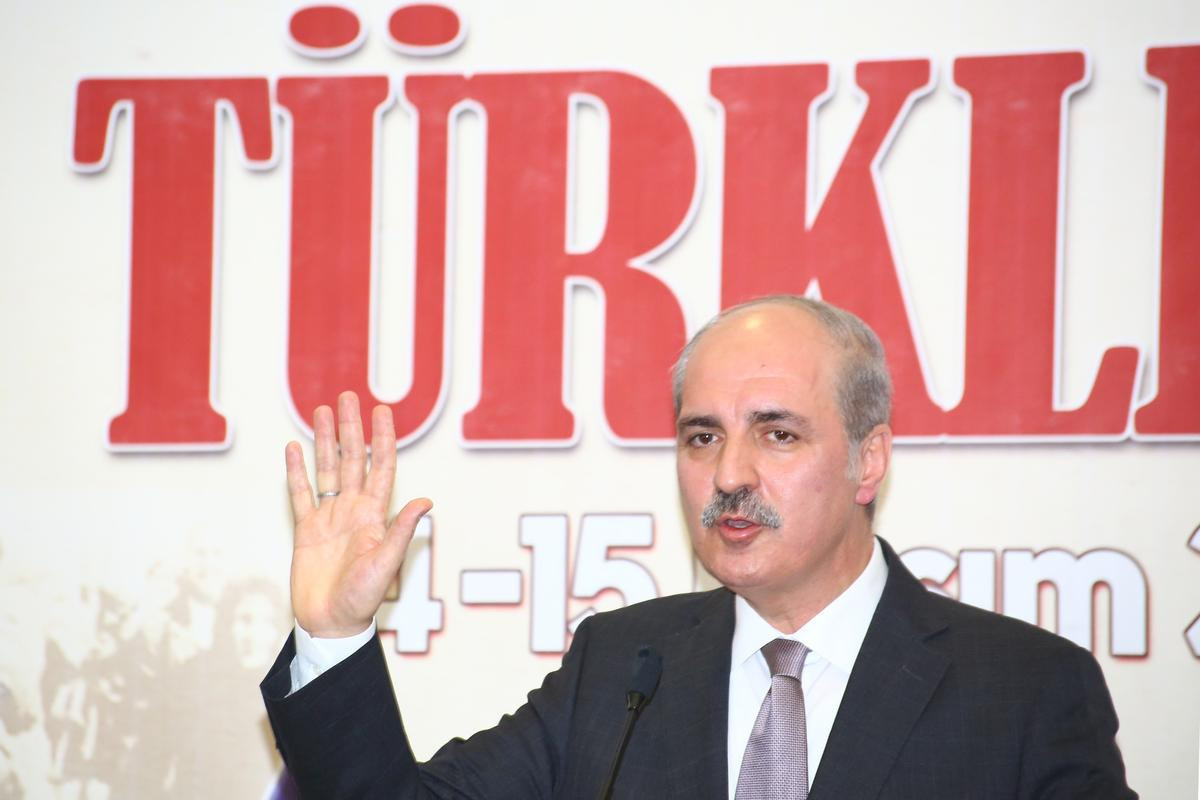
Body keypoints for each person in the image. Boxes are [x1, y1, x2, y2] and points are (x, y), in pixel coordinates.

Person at [261, 295, 1135, 798]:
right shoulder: (622, 668)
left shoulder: (1025, 691)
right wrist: (334, 632)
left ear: (868, 460)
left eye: (778, 435)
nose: (729, 475)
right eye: (702, 437)